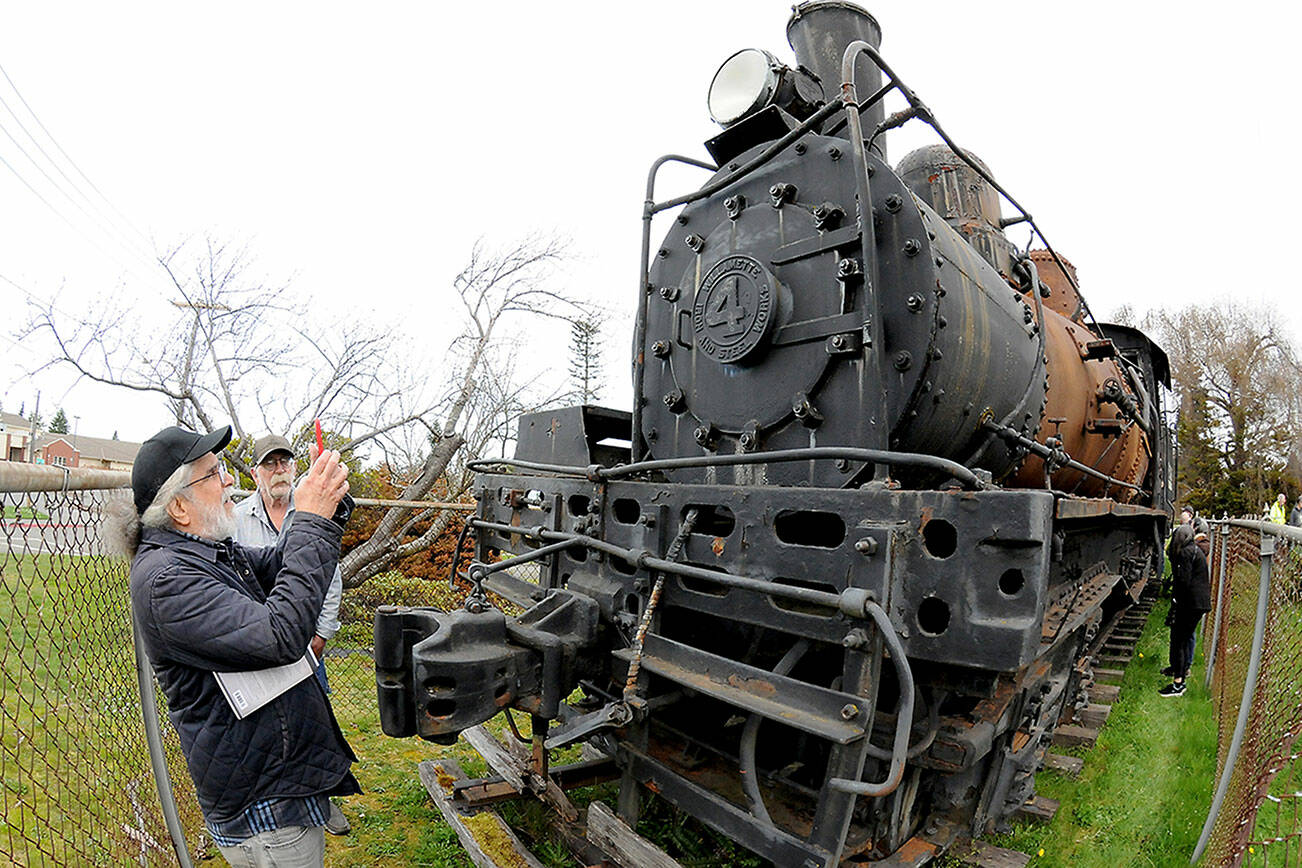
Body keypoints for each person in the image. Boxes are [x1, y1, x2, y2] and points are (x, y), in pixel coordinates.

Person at [121, 425, 359, 867]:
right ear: (178, 507)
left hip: (276, 774)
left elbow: (282, 563)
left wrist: (324, 506)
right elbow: (281, 635)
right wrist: (310, 520)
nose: (229, 479)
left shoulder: (203, 552)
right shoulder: (167, 580)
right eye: (213, 473)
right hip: (262, 805)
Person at [233, 433, 350, 836]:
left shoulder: (313, 511)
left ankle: (323, 799)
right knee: (267, 727)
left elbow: (330, 576)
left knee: (315, 722)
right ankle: (273, 803)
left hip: (306, 643)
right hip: (260, 644)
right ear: (255, 474)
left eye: (285, 462)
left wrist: (321, 634)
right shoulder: (236, 519)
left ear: (296, 467)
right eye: (270, 464)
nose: (279, 470)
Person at [1160, 524, 1211, 697]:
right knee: (1181, 637)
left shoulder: (1185, 553)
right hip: (1197, 603)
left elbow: (1183, 581)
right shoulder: (1194, 550)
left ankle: (1178, 684)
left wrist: (1175, 603)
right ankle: (1177, 669)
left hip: (1191, 604)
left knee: (1179, 640)